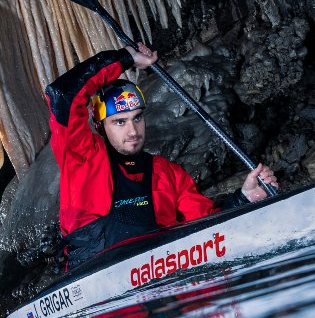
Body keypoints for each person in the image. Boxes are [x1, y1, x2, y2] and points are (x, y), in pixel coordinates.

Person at [45, 43, 278, 268]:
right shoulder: (82, 158)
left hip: (160, 289)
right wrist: (125, 58)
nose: (133, 131)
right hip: (95, 290)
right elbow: (62, 94)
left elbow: (208, 234)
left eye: (137, 118)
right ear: (99, 126)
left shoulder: (168, 174)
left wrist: (244, 199)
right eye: (119, 122)